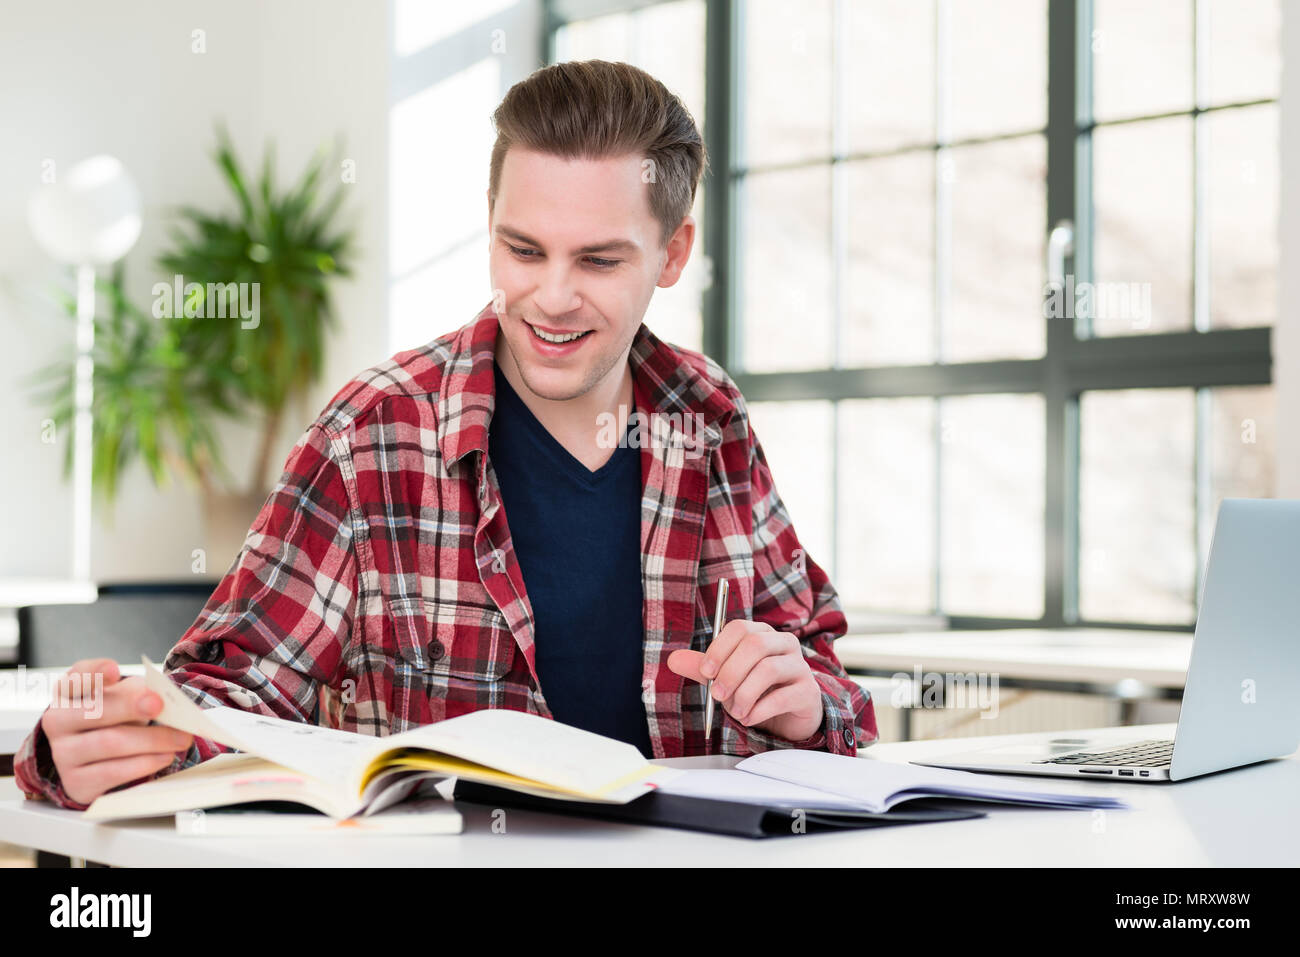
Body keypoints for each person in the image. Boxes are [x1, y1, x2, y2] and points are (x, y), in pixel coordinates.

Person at [16, 59, 878, 811]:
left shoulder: (709, 419)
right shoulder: (372, 432)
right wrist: (100, 746)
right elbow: (227, 696)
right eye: (523, 250)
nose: (551, 296)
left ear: (674, 252)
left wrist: (802, 704)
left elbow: (832, 684)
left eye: (600, 260)